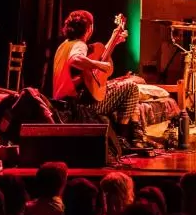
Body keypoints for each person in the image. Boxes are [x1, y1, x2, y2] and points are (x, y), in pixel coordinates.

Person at [52, 10, 151, 147]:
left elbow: (90, 68)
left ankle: (130, 135)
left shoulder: (63, 46)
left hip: (61, 105)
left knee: (115, 85)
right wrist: (99, 64)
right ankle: (123, 139)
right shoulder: (80, 45)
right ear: (89, 28)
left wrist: (114, 41)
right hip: (79, 108)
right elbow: (75, 59)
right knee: (131, 88)